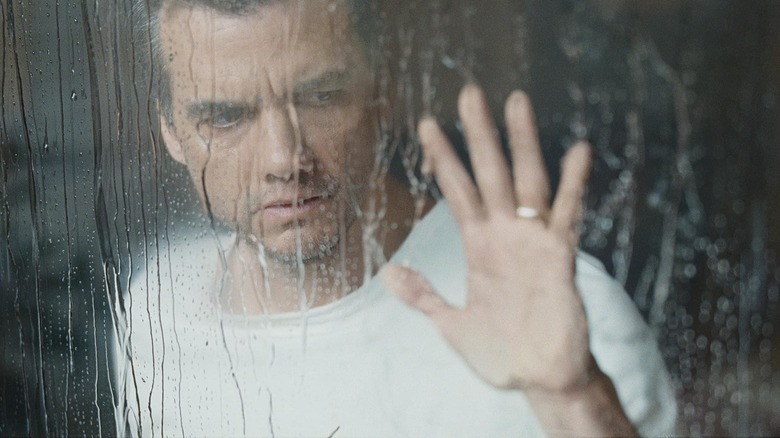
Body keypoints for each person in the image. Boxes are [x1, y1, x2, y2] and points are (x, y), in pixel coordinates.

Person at [114, 0, 677, 436]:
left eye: (321, 96)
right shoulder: (156, 309)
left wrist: (572, 397)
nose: (284, 159)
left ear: (382, 93)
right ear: (170, 131)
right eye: (226, 117)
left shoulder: (561, 311)